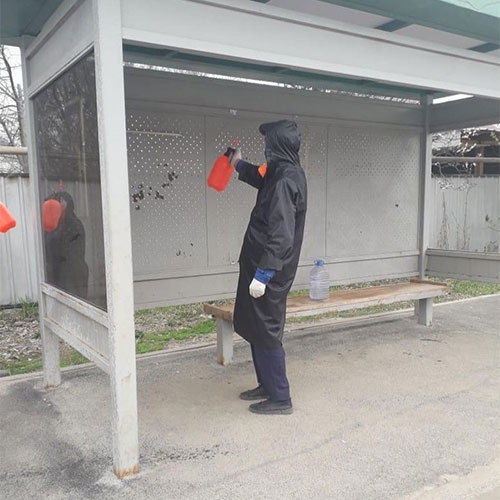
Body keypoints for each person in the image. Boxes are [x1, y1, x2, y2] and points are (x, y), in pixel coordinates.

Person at [231, 120, 307, 415]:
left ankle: (280, 397)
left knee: (267, 329)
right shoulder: (279, 172)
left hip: (269, 270)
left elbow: (282, 233)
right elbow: (260, 177)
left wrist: (264, 274)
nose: (265, 148)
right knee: (255, 326)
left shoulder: (287, 180)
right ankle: (266, 385)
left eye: (268, 143)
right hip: (257, 264)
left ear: (278, 146)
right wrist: (238, 164)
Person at [44, 191, 89, 300]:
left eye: (58, 204)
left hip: (72, 273)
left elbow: (64, 249)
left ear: (65, 205)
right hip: (61, 272)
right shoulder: (58, 224)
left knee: (75, 301)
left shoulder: (73, 224)